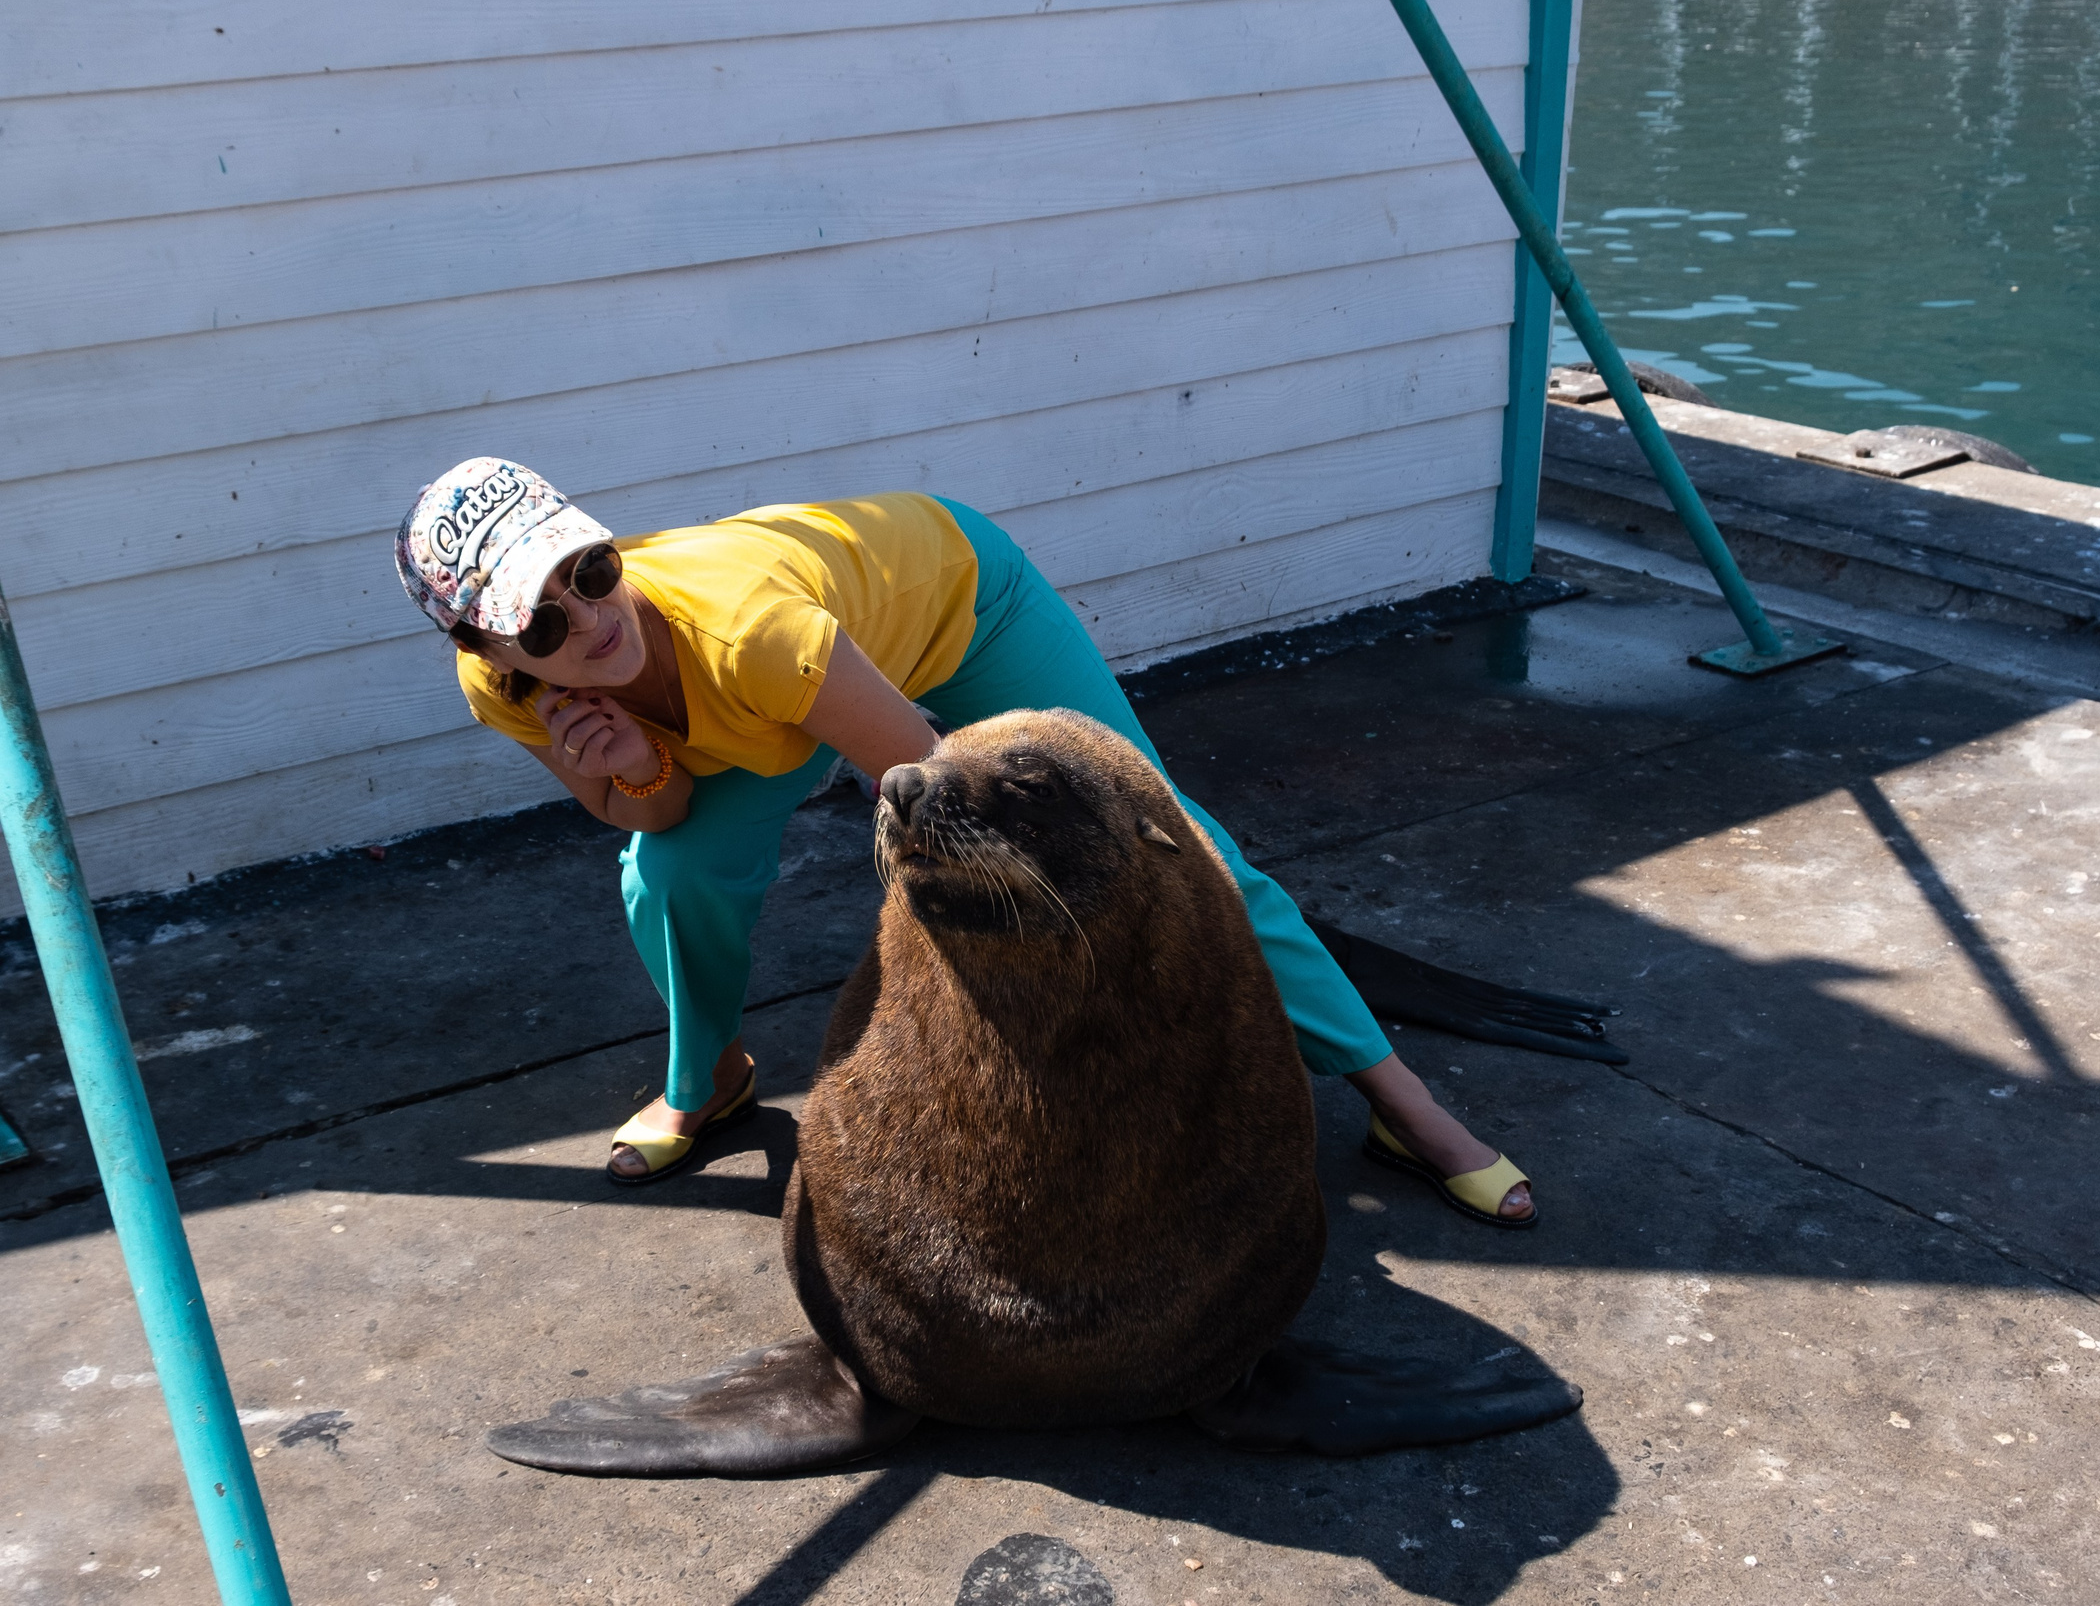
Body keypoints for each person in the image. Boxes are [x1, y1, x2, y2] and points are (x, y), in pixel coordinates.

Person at [394, 459, 1534, 1224]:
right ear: (482, 645)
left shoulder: (750, 629)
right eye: (541, 617)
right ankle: (708, 1079)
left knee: (1172, 841)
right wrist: (633, 768)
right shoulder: (505, 692)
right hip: (775, 699)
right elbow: (646, 814)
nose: (592, 619)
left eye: (592, 570)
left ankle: (1405, 1106)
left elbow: (953, 807)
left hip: (955, 608)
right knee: (671, 872)